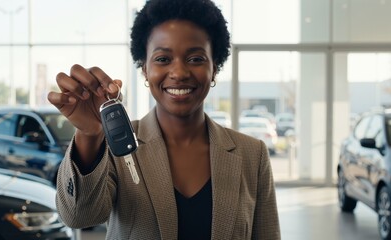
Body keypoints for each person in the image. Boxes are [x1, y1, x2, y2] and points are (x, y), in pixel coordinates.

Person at [47, 0, 281, 239]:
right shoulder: (114, 148)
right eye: (162, 59)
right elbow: (79, 217)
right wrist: (89, 133)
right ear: (145, 69)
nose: (179, 73)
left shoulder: (253, 155)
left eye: (196, 59)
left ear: (215, 69)